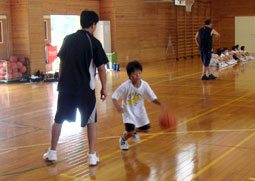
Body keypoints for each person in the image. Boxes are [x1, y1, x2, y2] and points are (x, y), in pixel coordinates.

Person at [43, 10, 108, 166]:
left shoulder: (68, 39)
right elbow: (101, 68)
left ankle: (52, 152)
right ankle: (92, 156)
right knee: (91, 121)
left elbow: (61, 62)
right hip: (86, 89)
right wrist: (104, 88)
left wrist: (62, 81)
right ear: (93, 25)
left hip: (66, 88)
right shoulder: (94, 42)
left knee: (58, 120)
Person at [112, 60, 164, 150]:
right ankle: (123, 139)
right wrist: (118, 107)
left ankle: (133, 131)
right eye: (135, 74)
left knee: (147, 130)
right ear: (130, 75)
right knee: (130, 131)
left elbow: (152, 98)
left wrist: (160, 104)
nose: (138, 76)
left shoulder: (145, 85)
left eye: (139, 73)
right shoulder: (125, 86)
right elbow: (114, 97)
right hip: (128, 112)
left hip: (140, 111)